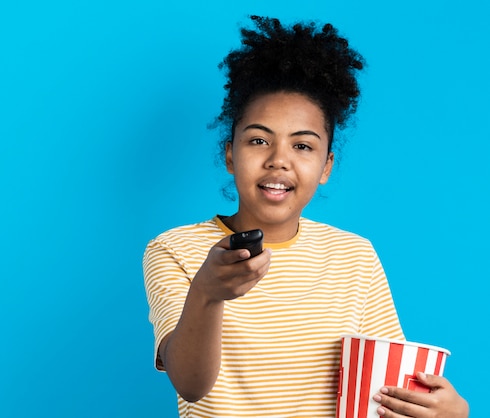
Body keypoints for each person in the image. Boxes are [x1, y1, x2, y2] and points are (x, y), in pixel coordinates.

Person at [143, 16, 469, 418]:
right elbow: (190, 385)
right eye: (259, 140)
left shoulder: (355, 256)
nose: (278, 160)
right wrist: (207, 293)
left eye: (303, 146)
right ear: (230, 154)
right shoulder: (175, 249)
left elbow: (387, 389)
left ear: (326, 166)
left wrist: (447, 413)